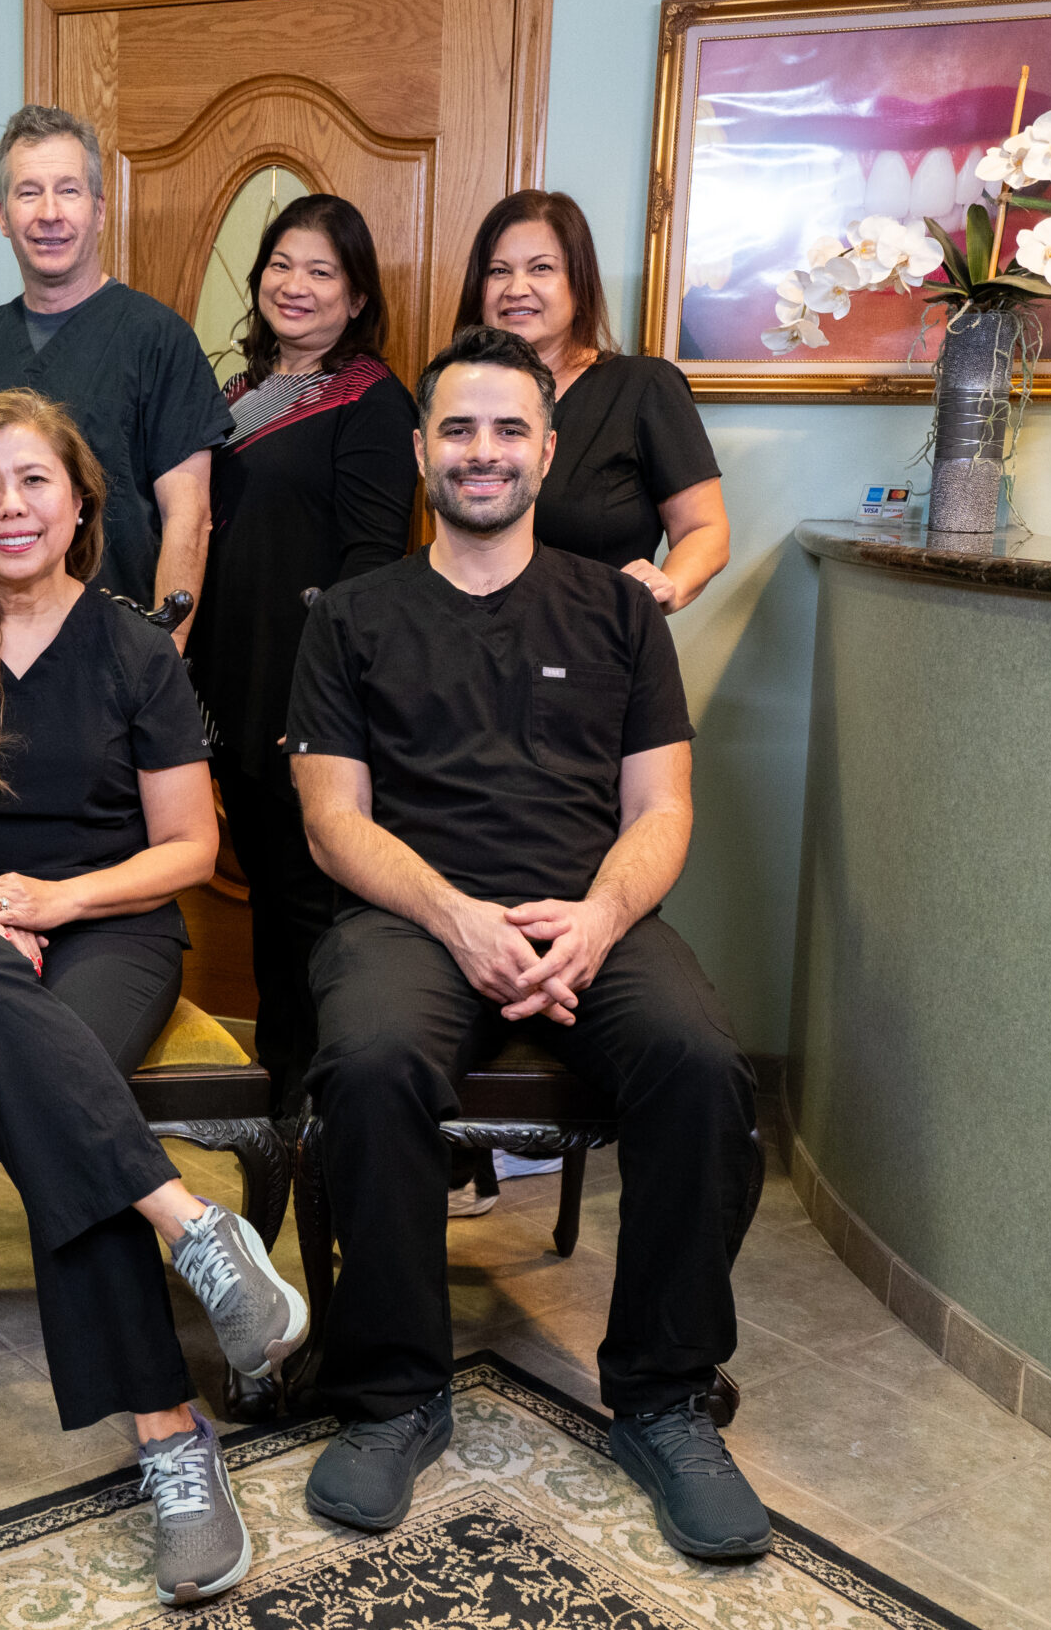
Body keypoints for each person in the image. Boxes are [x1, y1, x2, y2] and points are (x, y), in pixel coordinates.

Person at [286, 327, 767, 1562]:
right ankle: (393, 1396)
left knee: (702, 1066)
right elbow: (333, 822)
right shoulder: (351, 616)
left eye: (509, 429)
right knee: (371, 1061)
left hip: (587, 913)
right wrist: (457, 917)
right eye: (458, 429)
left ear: (547, 453)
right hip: (411, 918)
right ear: (420, 451)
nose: (482, 451)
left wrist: (598, 919)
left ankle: (663, 1399)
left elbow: (661, 810)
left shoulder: (620, 612)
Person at [0, 389, 305, 1607]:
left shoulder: (136, 650)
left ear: (81, 503)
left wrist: (56, 901)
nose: (9, 507)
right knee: (13, 1020)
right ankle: (192, 1233)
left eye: (33, 480)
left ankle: (170, 1437)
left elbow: (188, 847)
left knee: (56, 1108)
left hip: (110, 927)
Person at [189, 194, 416, 1110]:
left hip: (306, 698)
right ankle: (281, 1088)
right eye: (281, 264)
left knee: (314, 908)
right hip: (232, 687)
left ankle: (326, 1104)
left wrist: (325, 702)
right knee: (270, 903)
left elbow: (372, 567)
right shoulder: (235, 397)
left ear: (357, 296)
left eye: (322, 270)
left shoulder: (373, 400)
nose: (296, 284)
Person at [0, 106, 228, 643]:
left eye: (68, 190)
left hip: (116, 649)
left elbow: (189, 516)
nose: (50, 213)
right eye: (28, 193)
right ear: (2, 215)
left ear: (99, 209)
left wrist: (167, 655)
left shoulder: (158, 339)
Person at [456, 190, 730, 611]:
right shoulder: (457, 396)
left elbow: (705, 529)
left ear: (579, 285)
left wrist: (669, 586)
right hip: (473, 634)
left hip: (596, 635)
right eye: (498, 271)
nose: (516, 288)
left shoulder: (644, 387)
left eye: (541, 268)